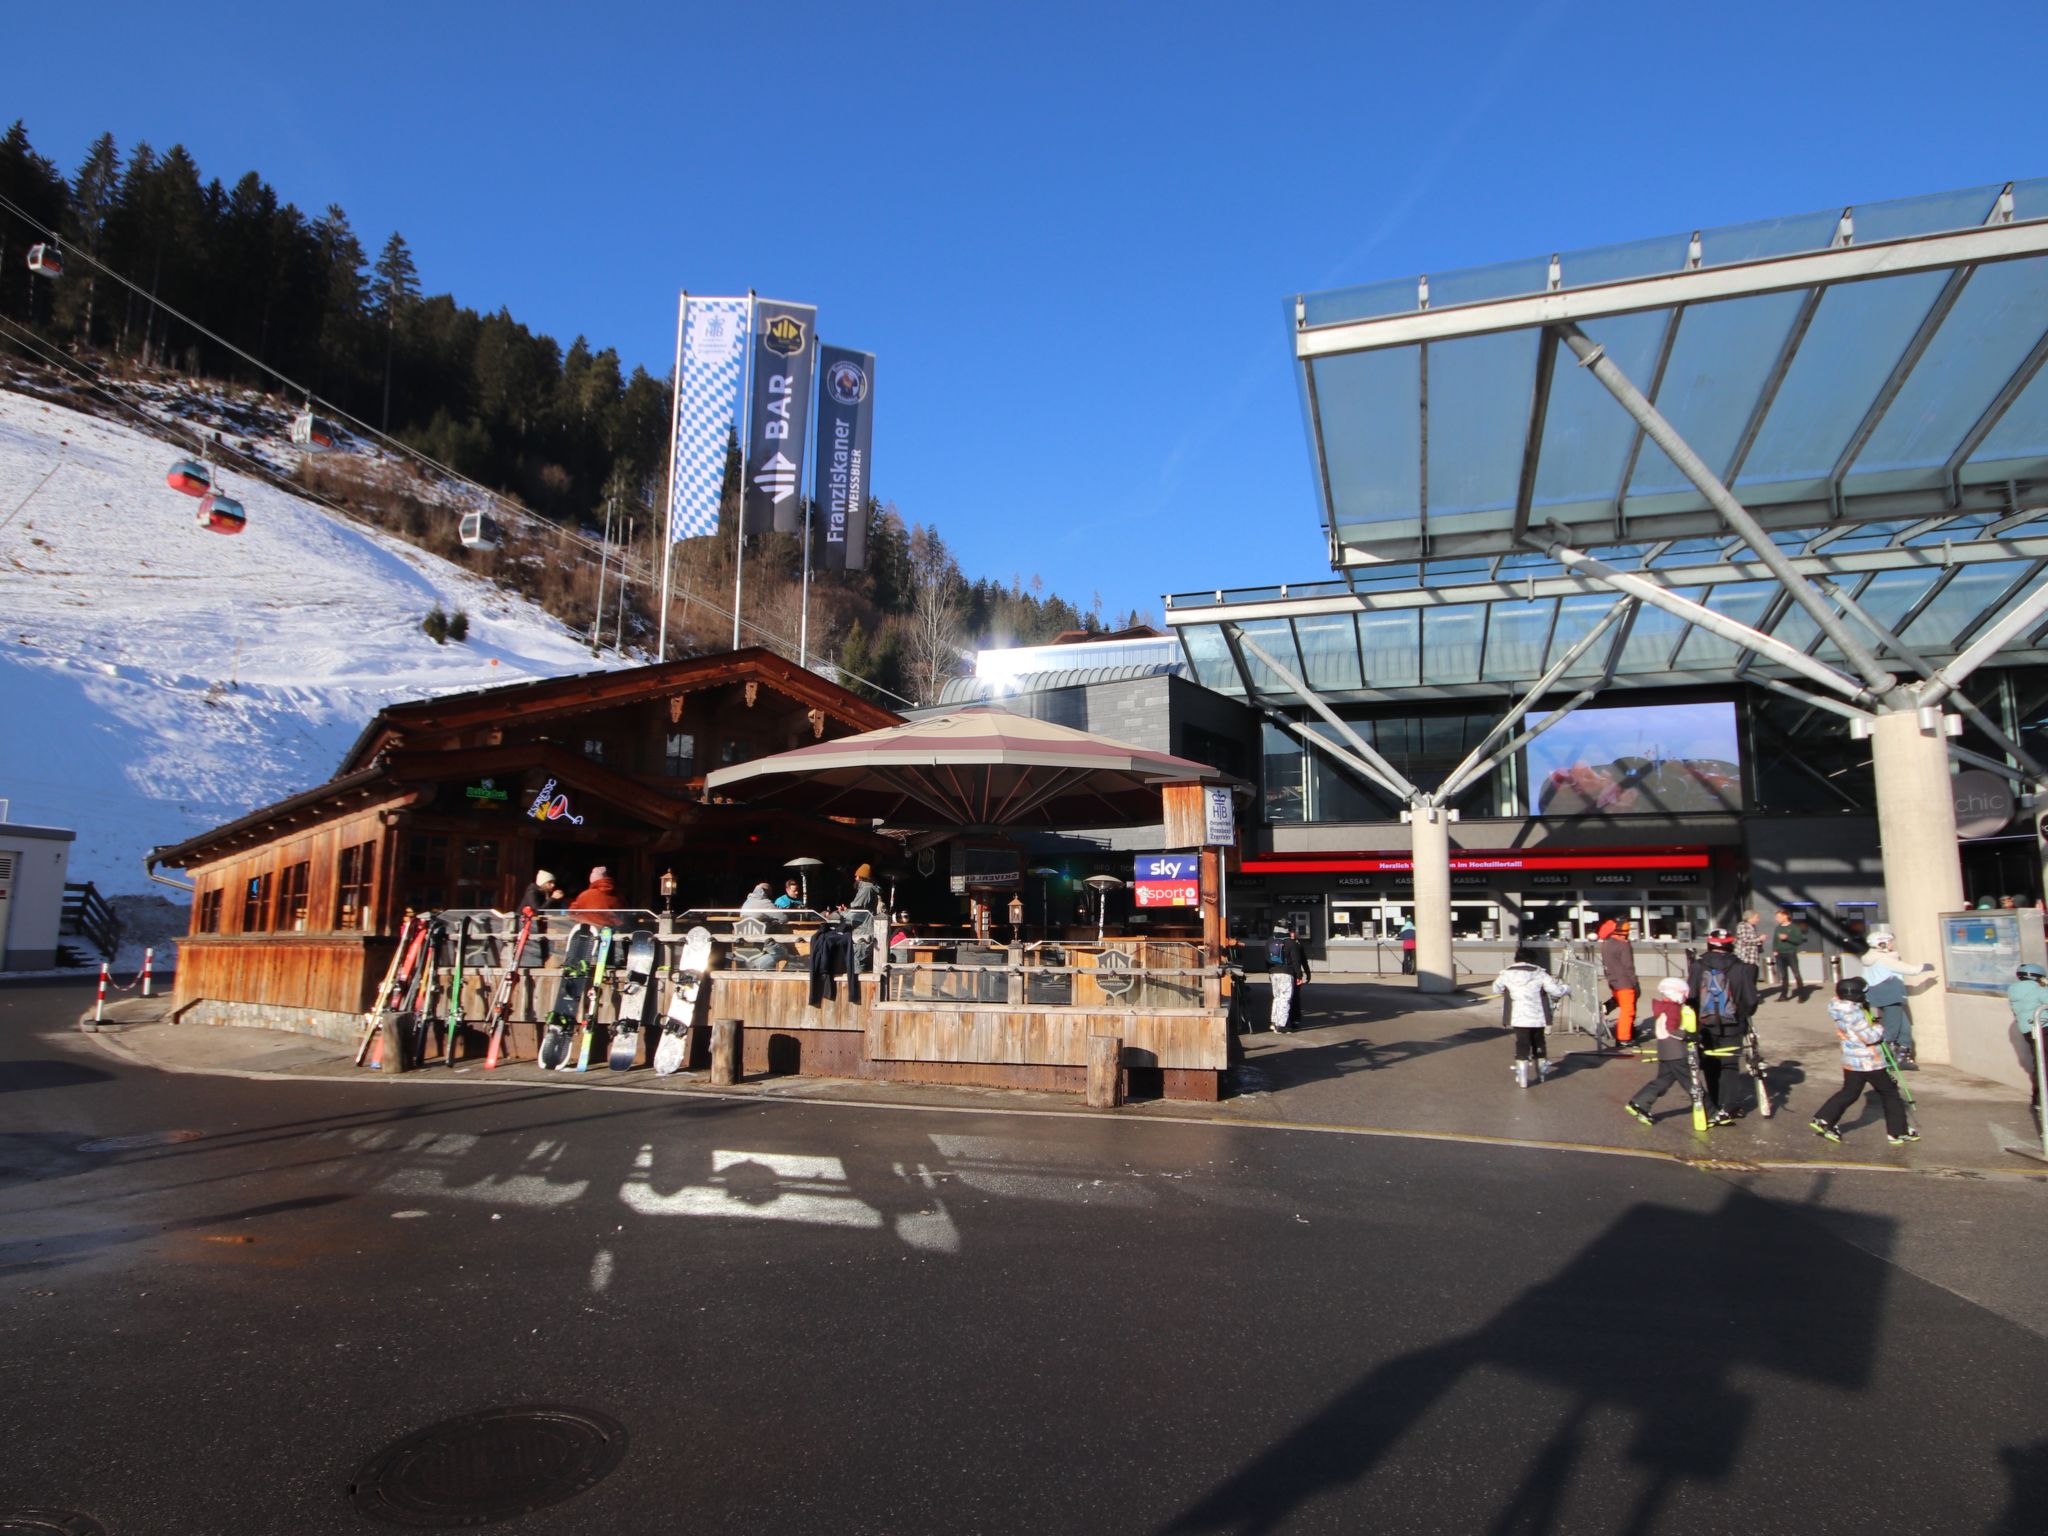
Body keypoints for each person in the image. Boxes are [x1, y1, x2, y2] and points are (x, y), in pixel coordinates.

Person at [1810, 976, 1917, 1146]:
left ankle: (1824, 1118)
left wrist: (1869, 1022)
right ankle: (1898, 1132)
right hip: (1869, 1061)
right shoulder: (1855, 1013)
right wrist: (1879, 1028)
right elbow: (1869, 1037)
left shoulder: (1839, 1007)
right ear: (1856, 995)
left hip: (1851, 1060)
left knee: (1850, 1092)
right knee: (1890, 1093)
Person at [1688, 928, 1760, 1124]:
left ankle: (1714, 1102)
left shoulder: (1697, 966)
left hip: (1704, 1024)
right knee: (1729, 1066)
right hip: (1733, 1024)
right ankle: (1729, 1107)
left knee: (1710, 1065)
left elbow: (1691, 996)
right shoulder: (1743, 968)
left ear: (1709, 944)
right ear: (1731, 945)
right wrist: (1743, 1016)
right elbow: (1751, 1000)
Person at [1625, 977, 1696, 1125]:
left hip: (1664, 1048)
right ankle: (1710, 1111)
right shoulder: (1674, 1009)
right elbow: (1672, 1029)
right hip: (1676, 1051)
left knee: (1663, 1080)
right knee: (1691, 1082)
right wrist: (1688, 1036)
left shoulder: (1663, 1006)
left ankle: (1639, 1103)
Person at [1491, 948, 1567, 1082]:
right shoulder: (1540, 974)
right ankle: (1542, 1067)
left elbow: (1496, 988)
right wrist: (1566, 988)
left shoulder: (1506, 974)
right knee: (1538, 1040)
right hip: (1538, 1015)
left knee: (1522, 1042)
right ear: (1533, 959)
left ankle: (1521, 1071)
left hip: (1518, 1015)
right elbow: (1556, 991)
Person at [1860, 928, 1934, 1066]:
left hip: (1882, 997)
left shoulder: (1870, 959)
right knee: (1892, 1029)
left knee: (1904, 1027)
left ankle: (1903, 1057)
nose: (1891, 944)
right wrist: (1924, 967)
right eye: (1888, 942)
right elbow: (1908, 969)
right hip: (1890, 997)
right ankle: (1883, 1056)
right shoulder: (1884, 959)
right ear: (1881, 944)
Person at [2007, 962, 2048, 1128]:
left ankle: (2037, 1099)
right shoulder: (2037, 990)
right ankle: (2040, 1099)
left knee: (2040, 1064)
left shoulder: (2013, 989)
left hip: (2028, 1031)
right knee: (2044, 1065)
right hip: (2043, 1028)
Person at [1598, 918, 1639, 1046]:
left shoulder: (1607, 944)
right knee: (1628, 1010)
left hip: (1613, 980)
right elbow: (1628, 966)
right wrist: (1634, 983)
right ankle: (1623, 1038)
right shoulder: (1623, 945)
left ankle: (1607, 1006)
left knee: (1621, 1001)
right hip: (1624, 982)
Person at [1266, 922, 1310, 1033]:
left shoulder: (1270, 941)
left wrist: (1270, 972)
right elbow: (1296, 961)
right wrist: (1299, 975)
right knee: (1285, 999)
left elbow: (1266, 959)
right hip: (1286, 973)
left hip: (1273, 972)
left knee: (1277, 998)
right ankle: (1282, 1025)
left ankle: (1274, 1022)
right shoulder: (1291, 943)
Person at [1771, 909, 1808, 1001]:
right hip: (1780, 954)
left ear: (1785, 916)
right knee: (1783, 976)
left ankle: (1801, 995)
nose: (1777, 919)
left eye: (1778, 917)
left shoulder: (1794, 927)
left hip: (1790, 953)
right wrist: (1775, 950)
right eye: (1776, 917)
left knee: (1796, 974)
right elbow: (1775, 940)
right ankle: (1783, 995)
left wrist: (1787, 938)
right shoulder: (1778, 928)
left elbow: (1799, 940)